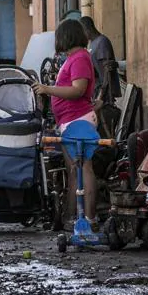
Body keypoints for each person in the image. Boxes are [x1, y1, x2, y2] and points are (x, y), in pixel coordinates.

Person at [34, 18, 98, 226]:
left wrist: (47, 89)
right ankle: (73, 217)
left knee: (82, 169)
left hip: (77, 121)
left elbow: (78, 89)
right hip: (72, 121)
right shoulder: (75, 58)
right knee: (75, 170)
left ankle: (88, 217)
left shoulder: (79, 58)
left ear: (65, 37)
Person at [79, 15, 121, 104]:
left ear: (86, 29)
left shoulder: (102, 42)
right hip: (96, 90)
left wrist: (102, 94)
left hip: (104, 93)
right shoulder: (92, 44)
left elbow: (107, 70)